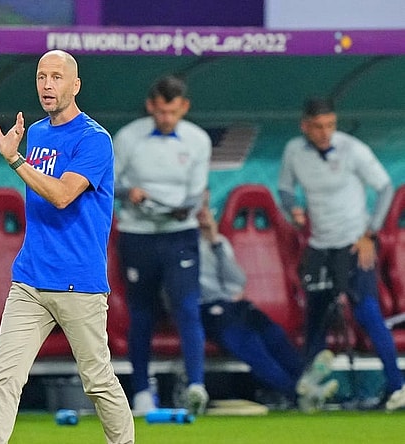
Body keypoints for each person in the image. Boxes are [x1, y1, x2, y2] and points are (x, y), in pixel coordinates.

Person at [0, 50, 134, 444]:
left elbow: (62, 195)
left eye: (57, 77)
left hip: (78, 281)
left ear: (75, 85)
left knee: (98, 381)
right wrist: (21, 156)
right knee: (4, 377)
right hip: (30, 280)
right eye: (41, 77)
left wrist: (15, 161)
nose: (47, 85)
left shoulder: (94, 139)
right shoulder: (39, 133)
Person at [277, 97, 405, 411]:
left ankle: (397, 387)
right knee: (315, 318)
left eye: (331, 125)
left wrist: (369, 234)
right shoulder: (294, 151)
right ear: (304, 126)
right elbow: (284, 188)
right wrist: (291, 207)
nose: (325, 132)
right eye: (318, 126)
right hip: (320, 247)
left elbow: (385, 188)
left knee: (366, 313)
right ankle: (310, 391)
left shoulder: (353, 150)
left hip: (352, 244)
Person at [112, 75, 211, 416]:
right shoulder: (128, 137)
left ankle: (196, 386)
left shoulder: (198, 141)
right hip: (137, 234)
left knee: (187, 308)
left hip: (179, 234)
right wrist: (129, 193)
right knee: (141, 314)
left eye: (173, 111)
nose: (166, 118)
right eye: (161, 111)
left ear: (184, 107)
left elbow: (197, 192)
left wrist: (188, 207)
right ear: (151, 105)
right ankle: (141, 391)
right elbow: (103, 182)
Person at [196, 189, 339, 412]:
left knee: (273, 333)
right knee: (251, 342)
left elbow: (238, 280)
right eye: (200, 206)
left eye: (206, 205)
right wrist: (223, 293)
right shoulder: (182, 246)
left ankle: (305, 381)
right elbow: (199, 289)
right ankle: (296, 392)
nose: (204, 212)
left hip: (234, 305)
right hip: (206, 309)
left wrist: (214, 242)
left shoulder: (219, 243)